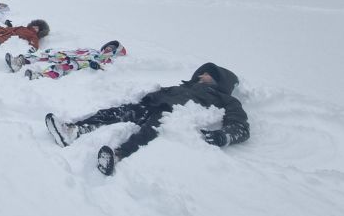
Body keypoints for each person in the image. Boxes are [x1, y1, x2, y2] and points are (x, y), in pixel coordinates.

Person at [45, 62, 250, 176]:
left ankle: (117, 156)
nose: (203, 75)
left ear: (220, 81)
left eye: (209, 74)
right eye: (203, 72)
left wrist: (223, 136)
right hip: (151, 105)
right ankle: (75, 131)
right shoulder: (184, 86)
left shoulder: (224, 99)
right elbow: (160, 91)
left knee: (148, 132)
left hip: (173, 115)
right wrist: (147, 96)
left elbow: (240, 126)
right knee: (117, 112)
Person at [6, 40, 127, 79]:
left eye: (111, 48)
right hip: (67, 55)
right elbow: (77, 50)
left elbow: (105, 68)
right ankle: (19, 62)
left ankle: (39, 76)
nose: (108, 49)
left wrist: (97, 66)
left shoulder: (108, 60)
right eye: (108, 46)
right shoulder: (92, 50)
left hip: (78, 63)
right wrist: (60, 52)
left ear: (114, 52)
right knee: (44, 56)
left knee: (60, 68)